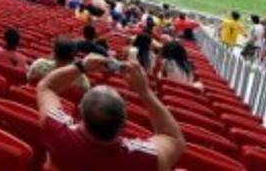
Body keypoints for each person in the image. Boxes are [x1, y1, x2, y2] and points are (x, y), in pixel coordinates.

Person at [36, 54, 185, 170]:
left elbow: (46, 86)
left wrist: (81, 66)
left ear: (80, 112)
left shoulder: (57, 133)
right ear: (124, 125)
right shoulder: (143, 159)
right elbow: (173, 139)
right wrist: (144, 90)